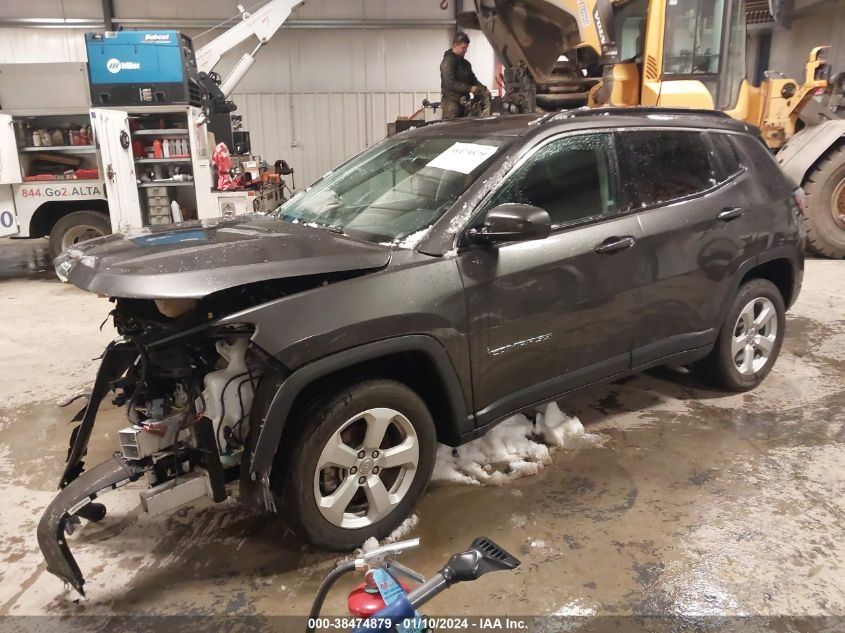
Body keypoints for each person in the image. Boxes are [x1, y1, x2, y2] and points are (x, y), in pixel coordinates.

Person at [440, 32, 487, 119]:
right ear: (455, 45)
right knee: (451, 126)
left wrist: (483, 89)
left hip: (465, 103)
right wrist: (469, 88)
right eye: (463, 47)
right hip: (451, 103)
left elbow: (473, 80)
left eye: (467, 47)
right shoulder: (447, 62)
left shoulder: (466, 64)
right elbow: (450, 83)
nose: (466, 50)